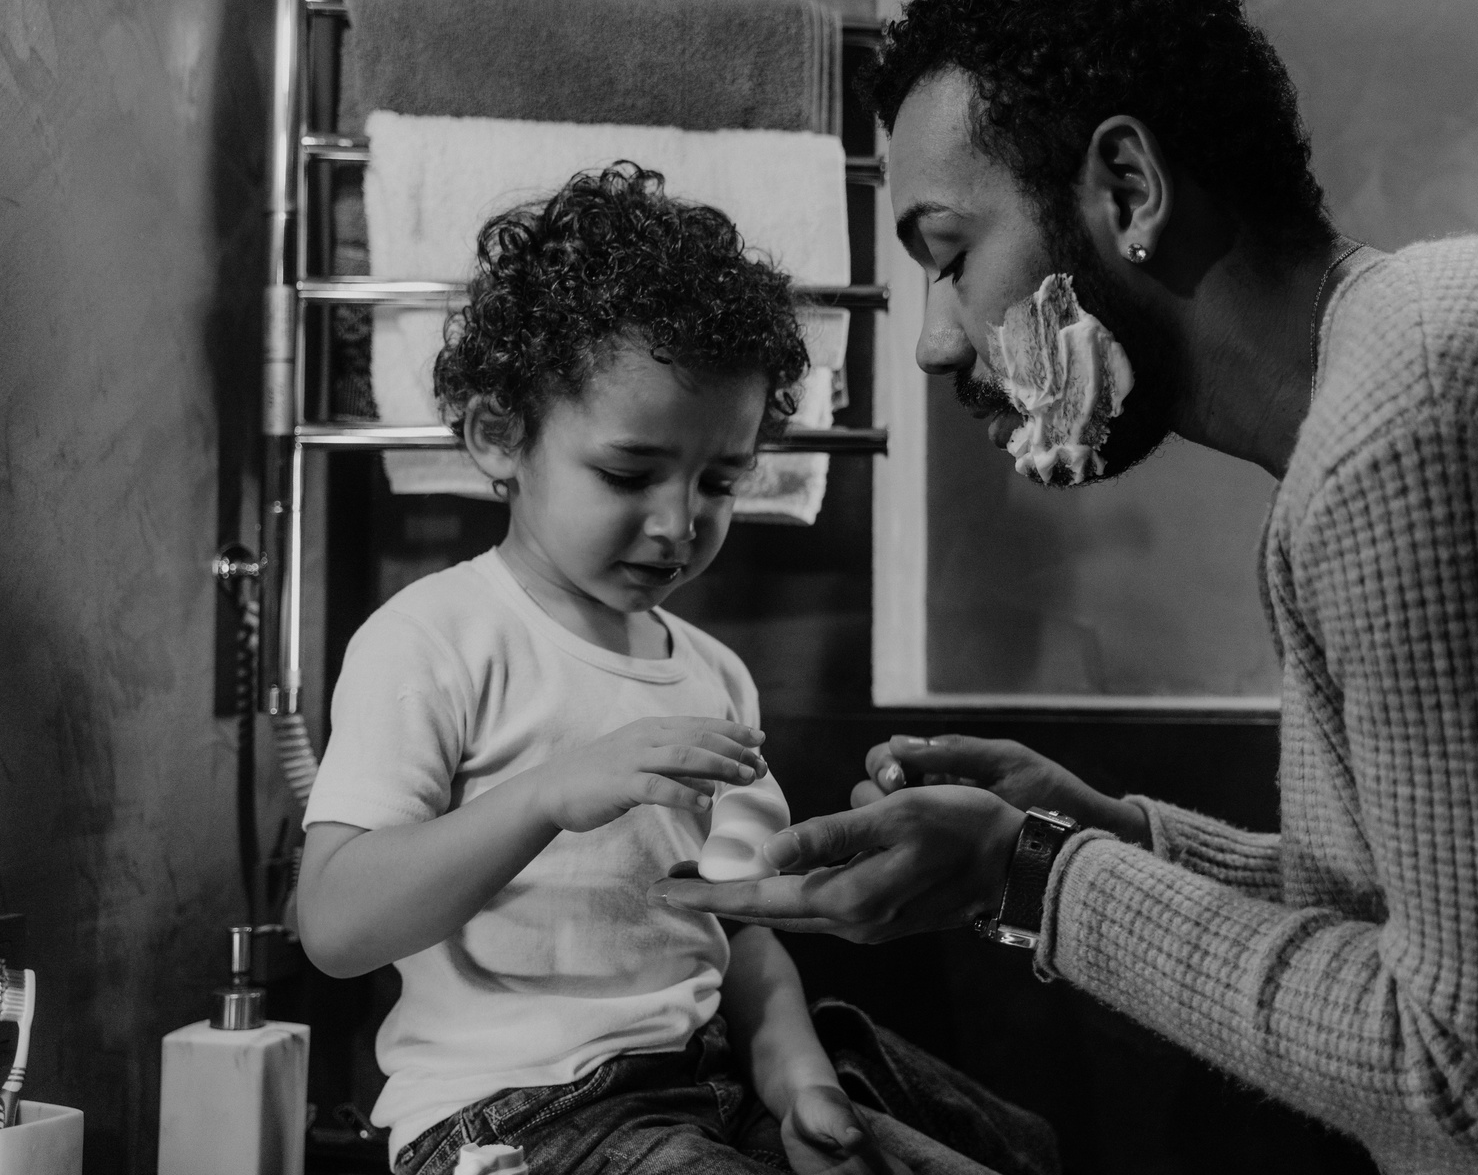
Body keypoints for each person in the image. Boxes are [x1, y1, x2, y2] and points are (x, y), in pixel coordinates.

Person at [652, 0, 1478, 1173]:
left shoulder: (1427, 432)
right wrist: (1107, 837)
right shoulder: (1416, 368)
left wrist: (1033, 873)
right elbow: (1456, 924)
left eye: (952, 254)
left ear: (1129, 188)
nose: (940, 339)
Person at [295, 165, 1051, 1175]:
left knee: (1001, 1148)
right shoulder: (435, 639)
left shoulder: (714, 678)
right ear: (499, 437)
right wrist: (548, 796)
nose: (678, 522)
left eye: (720, 480)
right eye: (628, 473)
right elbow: (337, 925)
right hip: (515, 1115)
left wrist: (800, 1084)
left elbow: (734, 939)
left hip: (704, 1080)